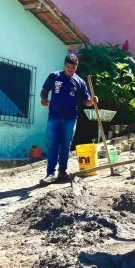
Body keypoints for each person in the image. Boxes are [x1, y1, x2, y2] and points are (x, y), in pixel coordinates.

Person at [39, 54, 98, 185]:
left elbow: (86, 102)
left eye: (73, 67)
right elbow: (44, 90)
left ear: (76, 67)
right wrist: (43, 98)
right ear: (64, 65)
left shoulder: (80, 82)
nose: (70, 69)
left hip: (70, 119)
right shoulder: (54, 76)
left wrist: (92, 101)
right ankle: (50, 174)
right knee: (53, 144)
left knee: (65, 146)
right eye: (68, 67)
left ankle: (62, 172)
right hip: (54, 117)